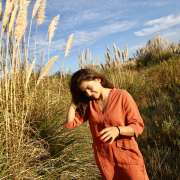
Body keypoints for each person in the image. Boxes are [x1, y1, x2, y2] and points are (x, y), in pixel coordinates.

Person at [63, 68, 149, 180]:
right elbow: (70, 124)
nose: (88, 93)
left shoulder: (122, 96)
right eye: (84, 92)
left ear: (98, 80)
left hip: (127, 157)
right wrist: (74, 103)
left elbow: (138, 126)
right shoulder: (89, 104)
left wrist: (118, 130)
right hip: (105, 160)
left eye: (89, 88)